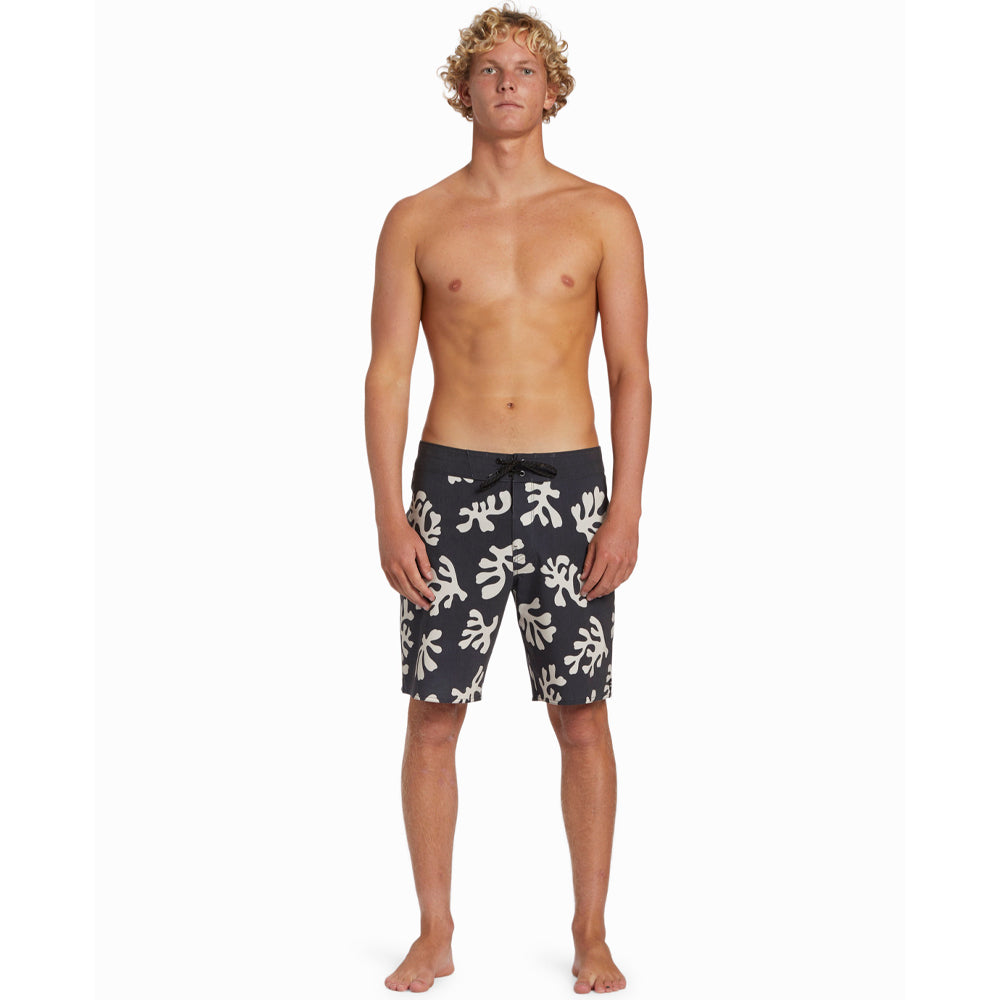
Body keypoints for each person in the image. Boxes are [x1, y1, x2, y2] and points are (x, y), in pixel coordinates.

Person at [365, 5, 650, 994]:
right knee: (433, 714)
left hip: (571, 486)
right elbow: (387, 373)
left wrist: (626, 508)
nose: (507, 83)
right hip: (452, 483)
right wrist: (388, 512)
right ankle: (434, 932)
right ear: (464, 91)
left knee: (582, 714)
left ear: (552, 90)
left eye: (525, 69)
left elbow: (631, 372)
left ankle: (591, 934)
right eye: (489, 70)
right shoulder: (416, 219)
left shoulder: (602, 213)